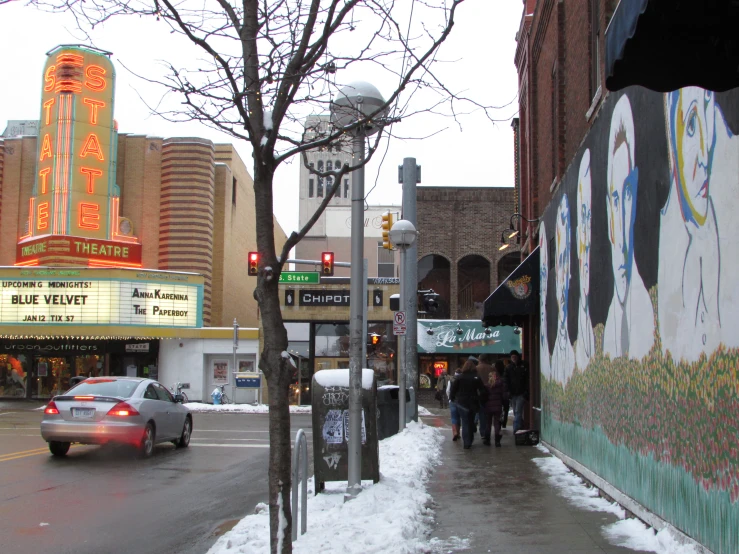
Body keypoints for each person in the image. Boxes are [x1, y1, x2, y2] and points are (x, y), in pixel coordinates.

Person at [449, 360, 487, 449]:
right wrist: (480, 398)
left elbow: (453, 390)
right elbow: (482, 390)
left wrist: (453, 398)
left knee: (465, 421)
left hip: (462, 403)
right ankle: (470, 438)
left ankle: (467, 442)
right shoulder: (476, 377)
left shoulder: (460, 378)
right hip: (473, 402)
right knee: (471, 420)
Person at [483, 361, 509, 446]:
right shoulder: (501, 384)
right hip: (498, 406)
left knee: (488, 423)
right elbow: (504, 396)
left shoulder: (487, 386)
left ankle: (487, 440)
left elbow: (484, 396)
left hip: (488, 407)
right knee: (497, 423)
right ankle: (497, 441)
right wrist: (504, 405)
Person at [505, 350, 529, 433]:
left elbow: (527, 379)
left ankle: (516, 429)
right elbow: (506, 380)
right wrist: (508, 391)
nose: (514, 358)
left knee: (518, 411)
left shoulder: (524, 366)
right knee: (516, 411)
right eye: (512, 357)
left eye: (515, 357)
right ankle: (520, 425)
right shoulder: (509, 368)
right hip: (513, 393)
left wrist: (526, 391)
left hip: (521, 392)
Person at [446, 367, 462, 441]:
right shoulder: (463, 380)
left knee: (454, 417)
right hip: (461, 401)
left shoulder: (451, 381)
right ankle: (458, 433)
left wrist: (449, 398)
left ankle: (454, 432)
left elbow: (448, 390)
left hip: (452, 401)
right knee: (459, 417)